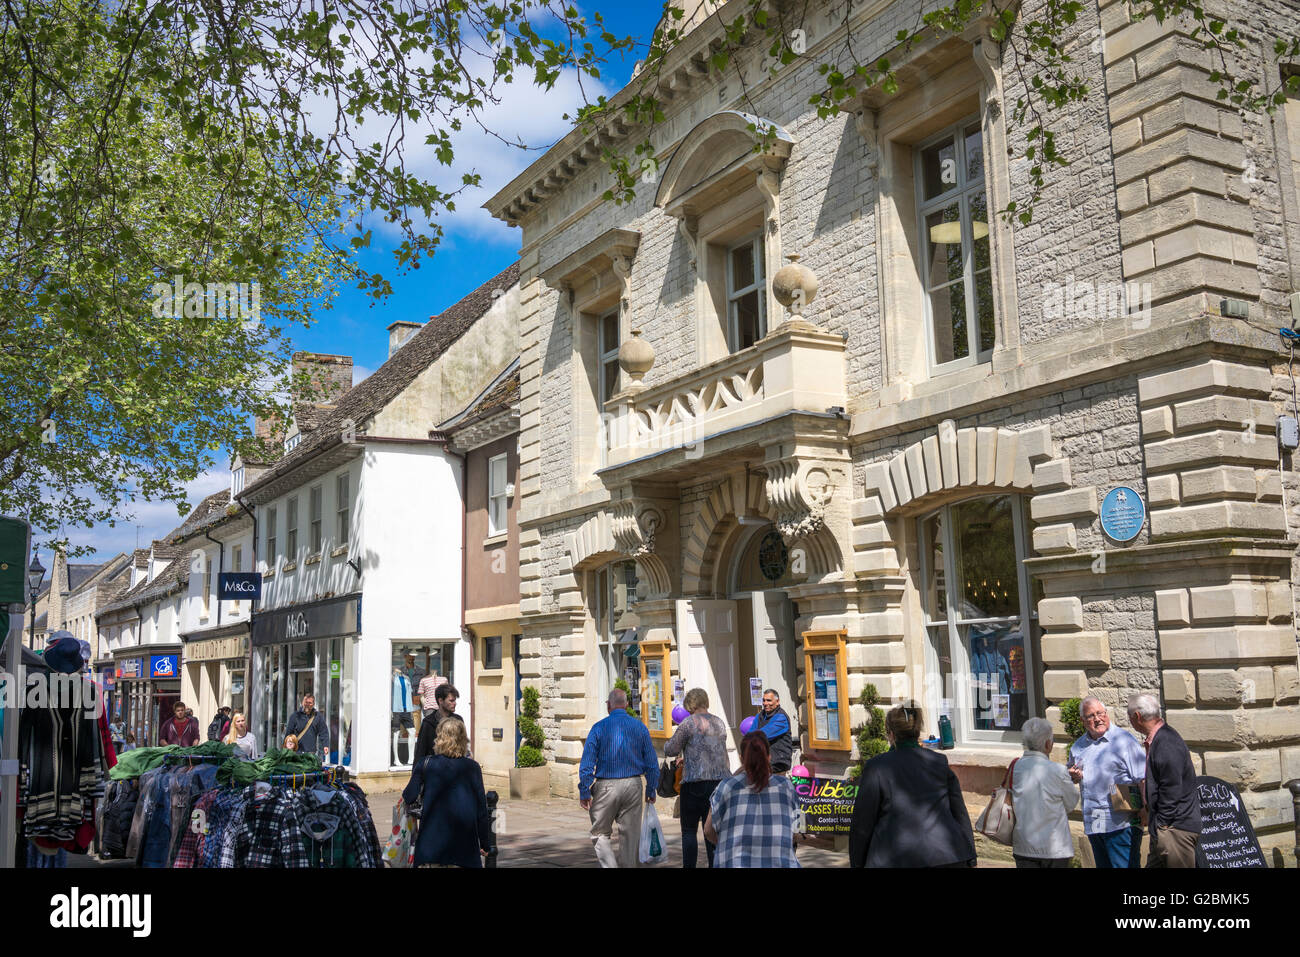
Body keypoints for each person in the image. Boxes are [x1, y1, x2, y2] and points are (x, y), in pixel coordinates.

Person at [848, 702, 976, 868]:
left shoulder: (877, 767)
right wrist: (971, 855)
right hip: (947, 856)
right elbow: (959, 812)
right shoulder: (938, 761)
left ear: (891, 734)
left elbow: (862, 824)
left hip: (896, 858)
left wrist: (857, 863)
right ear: (916, 732)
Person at [578, 688, 659, 868]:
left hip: (606, 786)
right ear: (627, 705)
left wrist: (585, 790)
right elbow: (652, 763)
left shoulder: (599, 727)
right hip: (633, 784)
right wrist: (651, 788)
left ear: (608, 706)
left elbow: (587, 762)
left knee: (599, 832)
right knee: (631, 836)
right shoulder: (640, 727)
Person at [402, 717, 493, 867]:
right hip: (464, 848)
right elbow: (481, 810)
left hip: (431, 846)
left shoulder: (425, 764)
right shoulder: (472, 768)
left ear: (439, 738)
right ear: (463, 740)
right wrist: (485, 843)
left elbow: (409, 796)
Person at [1067, 695, 1146, 868]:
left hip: (1122, 824)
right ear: (1082, 720)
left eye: (1100, 713)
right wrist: (1072, 775)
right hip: (1095, 823)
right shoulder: (1078, 746)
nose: (1097, 719)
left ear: (1106, 713)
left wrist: (1146, 810)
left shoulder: (1124, 741)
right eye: (1091, 716)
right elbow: (1071, 773)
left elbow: (1143, 778)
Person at [703, 732, 799, 868]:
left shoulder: (726, 787)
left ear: (741, 759)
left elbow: (708, 831)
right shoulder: (786, 786)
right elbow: (797, 830)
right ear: (769, 757)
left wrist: (727, 844)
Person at [1127, 693, 1201, 868]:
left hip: (1175, 829)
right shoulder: (1160, 739)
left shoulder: (1166, 741)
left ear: (1137, 716)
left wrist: (1163, 825)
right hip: (1166, 828)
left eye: (1129, 717)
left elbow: (1171, 787)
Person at [664, 687, 730, 868]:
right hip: (717, 784)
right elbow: (718, 752)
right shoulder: (719, 723)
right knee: (711, 831)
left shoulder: (687, 723)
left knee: (688, 832)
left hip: (693, 785)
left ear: (690, 704)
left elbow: (671, 749)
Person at [1012, 717, 1079, 867]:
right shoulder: (1058, 771)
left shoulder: (1015, 767)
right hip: (1054, 848)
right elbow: (1071, 803)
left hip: (1024, 845)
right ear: (1048, 744)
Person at [413, 682, 465, 766]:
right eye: (451, 700)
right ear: (440, 700)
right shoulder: (428, 722)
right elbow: (420, 752)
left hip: (455, 770)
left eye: (455, 700)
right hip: (434, 771)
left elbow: (463, 746)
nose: (454, 703)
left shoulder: (458, 720)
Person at [751, 689, 793, 774]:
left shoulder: (781, 717)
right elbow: (750, 735)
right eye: (764, 700)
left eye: (769, 700)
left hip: (777, 765)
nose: (765, 703)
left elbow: (762, 735)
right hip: (762, 764)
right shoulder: (760, 715)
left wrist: (752, 737)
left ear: (777, 702)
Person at [285, 691, 330, 761]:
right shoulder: (295, 716)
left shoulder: (318, 717)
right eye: (306, 702)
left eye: (310, 703)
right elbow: (288, 733)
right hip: (296, 752)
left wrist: (326, 745)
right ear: (302, 702)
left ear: (313, 704)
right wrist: (286, 748)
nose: (307, 704)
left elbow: (323, 732)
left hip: (310, 753)